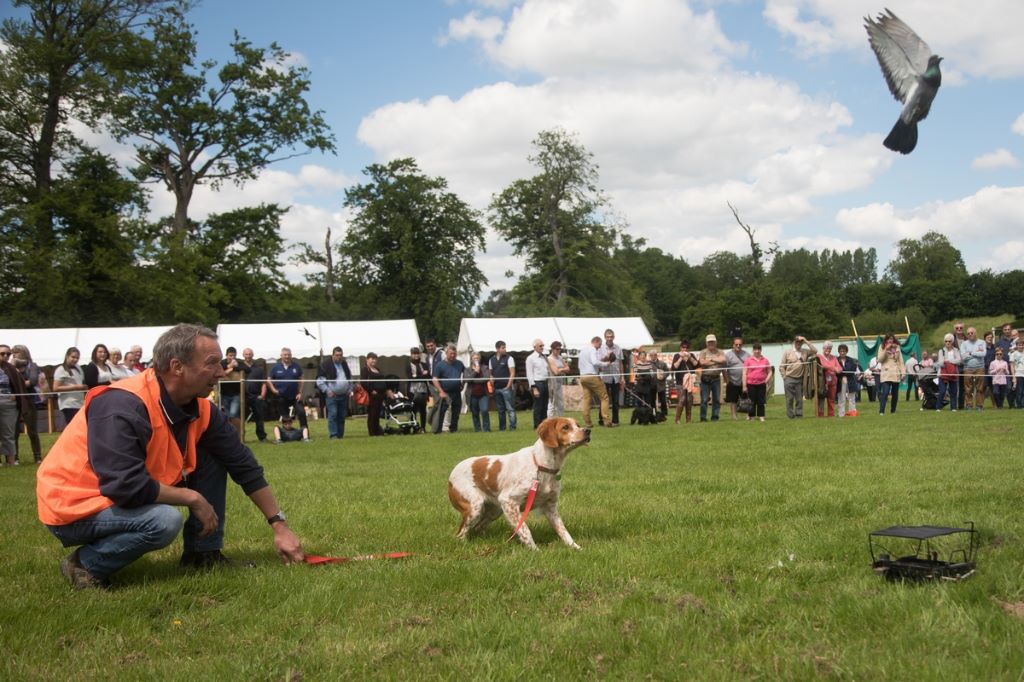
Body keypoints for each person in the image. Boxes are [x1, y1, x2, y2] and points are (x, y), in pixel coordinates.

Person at [36, 323, 304, 589]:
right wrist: (192, 497)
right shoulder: (122, 405)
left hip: (116, 494)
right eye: (212, 363)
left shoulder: (201, 408)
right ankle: (84, 564)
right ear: (177, 367)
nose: (221, 372)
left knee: (213, 456)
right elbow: (123, 485)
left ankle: (203, 555)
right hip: (74, 505)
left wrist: (279, 525)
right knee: (164, 521)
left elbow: (243, 465)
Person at [11, 345, 43, 464]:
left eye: (17, 352)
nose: (14, 355)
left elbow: (32, 381)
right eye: (13, 352)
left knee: (32, 431)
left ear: (24, 353)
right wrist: (22, 382)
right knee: (14, 432)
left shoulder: (32, 366)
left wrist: (18, 384)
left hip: (29, 401)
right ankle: (14, 458)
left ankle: (38, 457)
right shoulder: (10, 367)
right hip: (14, 402)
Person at [316, 346, 353, 440]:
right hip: (332, 395)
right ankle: (333, 435)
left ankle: (340, 435)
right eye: (337, 355)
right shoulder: (325, 365)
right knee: (333, 414)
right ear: (332, 355)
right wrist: (327, 391)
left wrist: (350, 389)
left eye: (340, 355)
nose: (339, 357)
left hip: (344, 395)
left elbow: (349, 378)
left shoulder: (344, 364)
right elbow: (319, 381)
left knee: (342, 415)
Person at [267, 347, 307, 430]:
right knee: (285, 416)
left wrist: (300, 393)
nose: (287, 356)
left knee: (301, 412)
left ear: (291, 356)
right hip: (281, 396)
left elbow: (302, 379)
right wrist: (274, 390)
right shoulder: (276, 367)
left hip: (295, 396)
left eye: (288, 355)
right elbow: (268, 380)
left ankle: (304, 432)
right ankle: (286, 433)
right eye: (285, 355)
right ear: (281, 356)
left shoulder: (296, 366)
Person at [578, 336, 613, 428]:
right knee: (604, 397)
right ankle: (606, 421)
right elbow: (594, 362)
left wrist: (601, 361)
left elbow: (587, 363)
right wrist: (606, 364)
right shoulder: (593, 349)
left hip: (583, 377)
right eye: (600, 345)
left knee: (587, 400)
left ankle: (588, 423)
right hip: (592, 376)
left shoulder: (583, 350)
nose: (599, 347)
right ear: (596, 342)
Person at [779, 335, 816, 418]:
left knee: (799, 399)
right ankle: (790, 415)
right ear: (794, 342)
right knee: (789, 399)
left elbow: (815, 351)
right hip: (789, 378)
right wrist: (784, 377)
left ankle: (799, 415)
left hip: (800, 379)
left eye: (800, 342)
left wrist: (805, 340)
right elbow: (782, 366)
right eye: (797, 342)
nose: (798, 344)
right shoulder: (787, 352)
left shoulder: (805, 351)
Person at [431, 344, 465, 434]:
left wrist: (463, 384)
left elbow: (465, 374)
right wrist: (441, 391)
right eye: (451, 353)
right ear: (446, 353)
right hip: (445, 392)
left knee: (456, 411)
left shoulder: (459, 364)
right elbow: (434, 379)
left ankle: (453, 429)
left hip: (457, 392)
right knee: (441, 411)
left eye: (454, 353)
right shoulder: (440, 365)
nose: (453, 355)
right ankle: (438, 430)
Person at [53, 347, 88, 427]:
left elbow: (80, 383)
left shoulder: (79, 368)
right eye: (73, 357)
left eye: (77, 358)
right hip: (68, 404)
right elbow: (55, 388)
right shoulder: (60, 370)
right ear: (67, 356)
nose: (75, 359)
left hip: (79, 403)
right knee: (72, 427)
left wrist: (83, 387)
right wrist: (75, 387)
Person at [0, 344, 22, 466]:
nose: (6, 356)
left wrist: (15, 395)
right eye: (2, 353)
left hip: (8, 404)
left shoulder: (12, 369)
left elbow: (19, 385)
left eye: (8, 354)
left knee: (8, 433)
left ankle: (11, 460)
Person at [361, 352, 393, 437]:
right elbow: (363, 383)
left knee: (377, 414)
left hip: (381, 395)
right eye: (372, 358)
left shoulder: (377, 369)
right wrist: (371, 390)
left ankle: (377, 430)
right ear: (367, 359)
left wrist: (386, 390)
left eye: (375, 359)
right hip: (372, 395)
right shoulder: (365, 370)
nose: (374, 360)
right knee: (372, 414)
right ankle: (372, 432)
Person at [697, 334, 727, 422]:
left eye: (713, 341)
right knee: (704, 399)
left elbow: (723, 360)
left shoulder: (720, 351)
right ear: (706, 343)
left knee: (717, 399)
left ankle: (715, 416)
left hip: (716, 378)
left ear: (716, 342)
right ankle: (703, 417)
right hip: (705, 378)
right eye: (709, 342)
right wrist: (715, 360)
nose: (711, 343)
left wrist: (710, 360)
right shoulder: (703, 352)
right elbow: (702, 363)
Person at [488, 341, 517, 431]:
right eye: (503, 347)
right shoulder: (491, 360)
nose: (505, 349)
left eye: (505, 347)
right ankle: (502, 429)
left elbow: (512, 373)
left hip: (506, 388)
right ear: (497, 349)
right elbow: (490, 373)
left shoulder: (509, 358)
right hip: (496, 388)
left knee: (510, 409)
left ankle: (512, 428)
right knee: (500, 410)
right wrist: (491, 381)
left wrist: (508, 386)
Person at [741, 342, 773, 422]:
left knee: (761, 401)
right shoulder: (748, 360)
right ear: (753, 350)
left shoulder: (765, 360)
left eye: (758, 349)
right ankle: (752, 417)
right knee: (751, 401)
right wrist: (744, 386)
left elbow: (770, 371)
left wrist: (766, 380)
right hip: (751, 384)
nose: (757, 351)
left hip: (761, 384)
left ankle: (761, 416)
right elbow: (744, 373)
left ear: (761, 350)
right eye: (755, 349)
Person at [241, 348, 268, 442]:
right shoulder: (240, 367)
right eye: (246, 354)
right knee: (240, 417)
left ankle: (262, 437)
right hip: (243, 396)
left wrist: (263, 394)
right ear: (243, 355)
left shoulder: (259, 369)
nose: (248, 356)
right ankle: (240, 437)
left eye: (249, 354)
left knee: (259, 417)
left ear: (252, 355)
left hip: (256, 396)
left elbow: (264, 382)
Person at [599, 329, 624, 425]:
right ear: (605, 337)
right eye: (608, 336)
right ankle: (601, 420)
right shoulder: (600, 348)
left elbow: (621, 363)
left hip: (616, 377)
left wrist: (622, 377)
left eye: (611, 336)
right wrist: (606, 357)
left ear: (613, 337)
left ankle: (615, 420)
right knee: (603, 399)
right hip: (604, 377)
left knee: (616, 400)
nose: (609, 338)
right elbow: (598, 362)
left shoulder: (618, 348)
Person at [876, 333, 906, 415]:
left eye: (892, 339)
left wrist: (903, 373)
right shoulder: (881, 347)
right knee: (885, 393)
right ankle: (881, 411)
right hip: (886, 373)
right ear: (886, 340)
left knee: (895, 394)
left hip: (895, 373)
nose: (890, 340)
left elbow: (901, 361)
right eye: (888, 339)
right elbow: (880, 360)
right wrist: (886, 350)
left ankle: (893, 411)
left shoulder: (897, 347)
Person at [959, 327, 987, 411]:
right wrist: (976, 354)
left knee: (980, 388)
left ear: (975, 333)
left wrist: (971, 353)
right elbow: (963, 357)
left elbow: (983, 354)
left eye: (972, 333)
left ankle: (979, 406)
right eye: (968, 333)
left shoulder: (982, 342)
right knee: (968, 388)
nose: (970, 334)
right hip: (967, 368)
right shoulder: (964, 344)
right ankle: (969, 405)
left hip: (980, 368)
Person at [524, 339, 550, 429]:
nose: (542, 347)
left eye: (543, 345)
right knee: (538, 406)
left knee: (545, 405)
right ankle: (537, 425)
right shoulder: (530, 358)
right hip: (537, 383)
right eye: (540, 346)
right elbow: (529, 374)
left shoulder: (544, 357)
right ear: (534, 347)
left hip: (545, 382)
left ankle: (544, 425)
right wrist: (534, 387)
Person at [672, 340, 698, 424]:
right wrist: (681, 358)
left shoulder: (692, 355)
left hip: (690, 381)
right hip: (680, 382)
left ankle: (688, 419)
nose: (685, 349)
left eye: (686, 348)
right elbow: (674, 367)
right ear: (680, 348)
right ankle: (677, 419)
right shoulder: (676, 356)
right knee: (682, 399)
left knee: (689, 400)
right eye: (683, 347)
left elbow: (696, 364)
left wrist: (690, 357)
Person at [723, 337, 749, 420]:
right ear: (733, 345)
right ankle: (734, 416)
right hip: (732, 382)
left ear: (742, 345)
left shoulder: (747, 355)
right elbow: (724, 369)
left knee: (746, 399)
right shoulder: (728, 355)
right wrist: (727, 381)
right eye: (736, 344)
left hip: (744, 382)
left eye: (740, 344)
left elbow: (751, 367)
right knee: (733, 400)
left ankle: (748, 416)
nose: (738, 346)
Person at [405, 347, 430, 433]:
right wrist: (422, 375)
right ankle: (414, 428)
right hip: (412, 391)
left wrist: (418, 376)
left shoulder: (424, 364)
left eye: (417, 353)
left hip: (423, 390)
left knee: (423, 410)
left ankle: (423, 428)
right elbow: (411, 378)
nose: (416, 355)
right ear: (411, 355)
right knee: (413, 411)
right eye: (414, 353)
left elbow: (428, 376)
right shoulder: (408, 366)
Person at [935, 334, 961, 412]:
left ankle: (953, 407)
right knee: (942, 391)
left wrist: (949, 361)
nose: (947, 343)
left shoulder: (956, 350)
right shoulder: (941, 351)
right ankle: (938, 407)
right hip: (943, 374)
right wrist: (949, 362)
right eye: (946, 341)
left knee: (953, 391)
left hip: (953, 373)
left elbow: (959, 360)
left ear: (952, 341)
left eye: (949, 341)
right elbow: (940, 363)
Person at [816, 342, 843, 418]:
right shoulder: (819, 356)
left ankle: (831, 415)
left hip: (833, 381)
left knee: (831, 399)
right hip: (822, 381)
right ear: (823, 348)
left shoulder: (834, 357)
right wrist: (833, 368)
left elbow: (839, 368)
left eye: (829, 348)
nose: (827, 350)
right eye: (826, 348)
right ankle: (820, 415)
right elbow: (822, 366)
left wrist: (838, 370)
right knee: (821, 399)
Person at [218, 346, 244, 423]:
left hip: (236, 394)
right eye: (230, 355)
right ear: (226, 355)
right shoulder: (222, 363)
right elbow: (220, 372)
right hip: (224, 394)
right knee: (227, 415)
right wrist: (229, 367)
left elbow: (247, 369)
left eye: (234, 356)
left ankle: (237, 431)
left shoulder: (238, 362)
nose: (232, 357)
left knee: (233, 414)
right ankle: (231, 432)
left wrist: (233, 368)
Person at [467, 352, 491, 432]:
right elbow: (467, 379)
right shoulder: (467, 369)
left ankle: (486, 429)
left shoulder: (484, 368)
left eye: (477, 358)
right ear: (471, 359)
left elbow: (486, 378)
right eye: (474, 358)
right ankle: (477, 429)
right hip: (472, 394)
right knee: (475, 412)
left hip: (483, 394)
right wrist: (475, 372)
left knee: (484, 410)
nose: (476, 360)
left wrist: (474, 380)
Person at [546, 341, 571, 418]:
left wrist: (560, 369)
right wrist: (562, 369)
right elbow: (555, 372)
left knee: (560, 404)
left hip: (559, 383)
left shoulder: (560, 358)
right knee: (552, 404)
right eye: (557, 349)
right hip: (552, 384)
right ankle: (549, 421)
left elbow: (568, 369)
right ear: (552, 349)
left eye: (560, 349)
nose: (558, 350)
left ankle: (561, 420)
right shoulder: (550, 359)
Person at [836, 344, 862, 417]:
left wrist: (844, 373)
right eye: (841, 351)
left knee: (852, 398)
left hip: (850, 381)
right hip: (840, 381)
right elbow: (836, 371)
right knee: (841, 398)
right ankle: (841, 414)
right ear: (839, 352)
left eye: (844, 351)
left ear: (846, 351)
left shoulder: (851, 360)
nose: (842, 353)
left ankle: (852, 413)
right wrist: (842, 375)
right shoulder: (836, 360)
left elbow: (852, 370)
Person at [630, 349, 656, 413]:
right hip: (639, 385)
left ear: (646, 356)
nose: (643, 357)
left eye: (644, 355)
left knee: (648, 401)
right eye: (641, 355)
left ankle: (648, 415)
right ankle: (640, 416)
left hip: (647, 385)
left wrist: (649, 376)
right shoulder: (636, 364)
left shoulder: (649, 364)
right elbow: (636, 374)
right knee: (639, 402)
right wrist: (642, 377)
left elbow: (652, 374)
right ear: (639, 356)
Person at [650, 350, 670, 419]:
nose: (653, 357)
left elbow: (667, 371)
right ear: (650, 356)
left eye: (654, 355)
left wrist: (663, 376)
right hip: (652, 384)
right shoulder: (648, 364)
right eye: (651, 355)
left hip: (661, 384)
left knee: (663, 400)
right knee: (652, 400)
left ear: (656, 355)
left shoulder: (662, 363)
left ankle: (664, 412)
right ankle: (653, 412)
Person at [1010, 338, 1024, 410]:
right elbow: (1012, 366)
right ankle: (1020, 405)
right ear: (1017, 346)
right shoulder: (1013, 354)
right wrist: (1013, 376)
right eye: (1019, 345)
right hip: (1018, 374)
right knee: (1019, 391)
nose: (1021, 346)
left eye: (1022, 345)